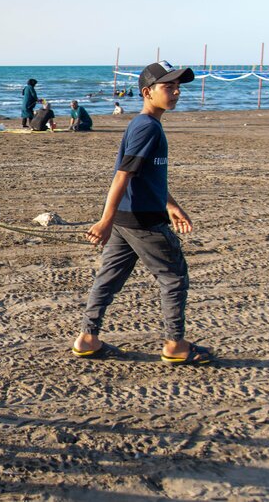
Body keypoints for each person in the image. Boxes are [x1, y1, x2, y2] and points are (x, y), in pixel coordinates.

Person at [73, 60, 213, 365]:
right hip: (142, 222)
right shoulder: (146, 127)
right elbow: (122, 176)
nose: (176, 92)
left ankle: (87, 338)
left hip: (128, 218)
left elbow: (147, 175)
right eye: (168, 86)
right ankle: (175, 345)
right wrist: (105, 220)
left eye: (177, 86)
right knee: (174, 277)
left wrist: (171, 204)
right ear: (148, 92)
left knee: (108, 278)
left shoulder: (146, 124)